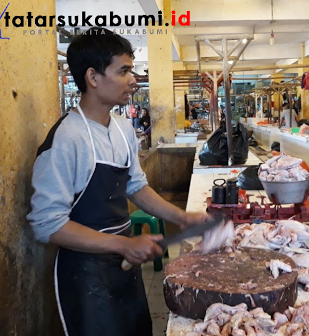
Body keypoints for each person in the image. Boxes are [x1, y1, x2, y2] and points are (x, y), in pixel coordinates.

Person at [27, 28, 210, 336]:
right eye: (123, 71)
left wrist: (183, 217)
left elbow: (134, 185)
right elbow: (47, 224)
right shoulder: (66, 139)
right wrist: (122, 243)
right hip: (85, 276)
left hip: (124, 265)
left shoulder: (123, 128)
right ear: (93, 77)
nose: (133, 79)